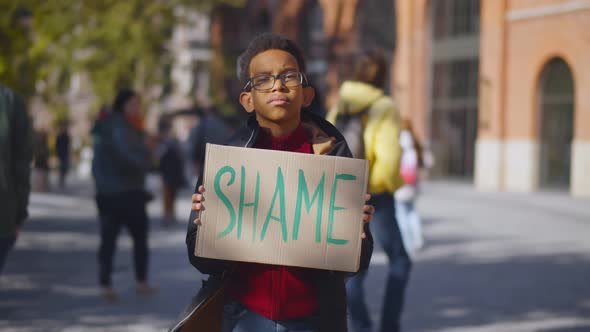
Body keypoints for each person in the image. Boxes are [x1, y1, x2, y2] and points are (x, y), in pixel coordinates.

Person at [185, 33, 375, 332]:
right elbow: (202, 261)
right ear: (248, 99)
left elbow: (353, 266)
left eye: (289, 76)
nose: (277, 85)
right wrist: (202, 223)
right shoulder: (229, 159)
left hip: (313, 317)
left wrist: (358, 231)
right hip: (244, 315)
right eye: (263, 79)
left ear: (307, 94)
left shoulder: (333, 154)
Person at [327, 49, 408, 332]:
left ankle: (361, 327)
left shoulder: (341, 105)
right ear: (383, 75)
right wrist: (384, 187)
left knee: (354, 267)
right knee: (400, 261)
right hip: (376, 196)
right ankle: (389, 326)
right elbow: (388, 159)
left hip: (345, 194)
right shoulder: (385, 106)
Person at [91, 88, 157, 301]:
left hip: (116, 191)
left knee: (114, 239)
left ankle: (113, 283)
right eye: (134, 104)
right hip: (123, 192)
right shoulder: (121, 127)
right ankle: (131, 283)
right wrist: (146, 152)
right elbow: (128, 157)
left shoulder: (118, 125)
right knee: (130, 238)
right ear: (123, 104)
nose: (138, 108)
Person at [0, 85, 32, 274]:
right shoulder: (9, 101)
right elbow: (21, 163)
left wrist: (19, 212)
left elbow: (21, 162)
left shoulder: (10, 102)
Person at [395, 118, 425, 261]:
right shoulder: (415, 141)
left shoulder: (398, 140)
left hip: (401, 184)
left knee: (401, 215)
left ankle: (408, 244)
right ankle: (418, 239)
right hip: (414, 184)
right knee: (412, 212)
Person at [186, 106, 232, 177]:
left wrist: (195, 161)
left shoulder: (201, 125)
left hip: (205, 162)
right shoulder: (223, 125)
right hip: (221, 161)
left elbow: (195, 145)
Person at [156, 117, 186, 226]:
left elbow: (159, 156)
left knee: (169, 195)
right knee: (169, 195)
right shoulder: (171, 141)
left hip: (168, 173)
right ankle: (169, 215)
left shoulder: (166, 142)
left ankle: (169, 215)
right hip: (170, 172)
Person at [55, 124, 71, 189]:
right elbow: (57, 145)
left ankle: (62, 180)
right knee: (61, 167)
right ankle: (60, 180)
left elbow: (68, 145)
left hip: (65, 154)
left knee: (64, 167)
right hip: (60, 154)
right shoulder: (59, 136)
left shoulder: (66, 136)